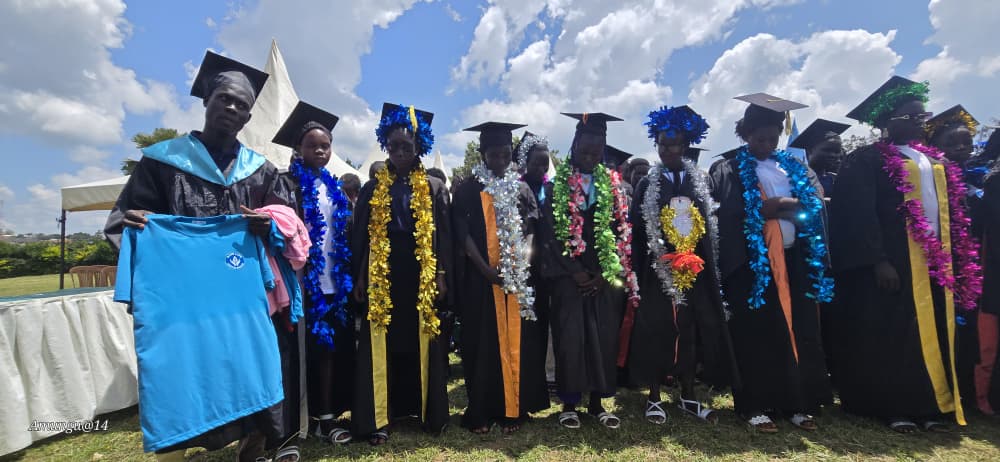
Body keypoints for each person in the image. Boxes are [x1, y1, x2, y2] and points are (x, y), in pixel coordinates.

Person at [105, 51, 294, 462]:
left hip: (241, 296)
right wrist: (137, 225)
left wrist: (270, 226)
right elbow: (122, 221)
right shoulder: (162, 161)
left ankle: (253, 448)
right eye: (224, 99)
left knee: (250, 365)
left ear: (248, 117)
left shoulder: (260, 170)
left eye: (241, 105)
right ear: (206, 100)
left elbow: (286, 222)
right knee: (181, 369)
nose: (232, 108)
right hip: (184, 301)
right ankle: (175, 448)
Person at [829, 76, 981, 432]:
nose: (919, 123)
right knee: (891, 335)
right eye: (910, 117)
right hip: (893, 264)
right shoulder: (866, 159)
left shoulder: (935, 160)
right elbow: (857, 214)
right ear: (886, 121)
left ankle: (930, 405)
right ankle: (892, 406)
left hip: (934, 265)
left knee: (933, 332)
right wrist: (877, 260)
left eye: (922, 116)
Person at [709, 93, 833, 433]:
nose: (765, 144)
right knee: (757, 335)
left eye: (772, 138)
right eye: (759, 138)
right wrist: (770, 208)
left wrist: (779, 204)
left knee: (799, 329)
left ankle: (797, 403)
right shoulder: (728, 168)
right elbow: (727, 212)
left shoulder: (793, 166)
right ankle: (755, 406)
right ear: (745, 134)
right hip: (753, 265)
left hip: (795, 260)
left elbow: (814, 202)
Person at [623, 105, 735, 426]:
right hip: (657, 269)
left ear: (685, 145)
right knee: (657, 328)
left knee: (691, 327)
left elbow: (710, 227)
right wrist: (645, 266)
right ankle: (654, 395)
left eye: (673, 145)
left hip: (695, 268)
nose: (667, 150)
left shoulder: (700, 182)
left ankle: (688, 394)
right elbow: (638, 230)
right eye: (662, 144)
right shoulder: (648, 184)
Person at [350, 103, 453, 445]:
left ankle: (424, 412)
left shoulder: (434, 187)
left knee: (419, 340)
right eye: (393, 146)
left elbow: (444, 238)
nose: (399, 152)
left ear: (419, 146)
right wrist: (361, 277)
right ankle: (381, 415)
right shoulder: (372, 188)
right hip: (384, 275)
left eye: (406, 146)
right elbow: (363, 237)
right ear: (385, 145)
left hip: (421, 274)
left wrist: (440, 275)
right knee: (385, 344)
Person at [540, 112, 637, 430]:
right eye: (585, 150)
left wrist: (604, 273)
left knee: (602, 338)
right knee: (570, 339)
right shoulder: (556, 186)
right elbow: (551, 235)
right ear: (575, 145)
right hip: (568, 279)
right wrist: (575, 271)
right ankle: (569, 403)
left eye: (597, 151)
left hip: (604, 277)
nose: (591, 156)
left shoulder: (615, 186)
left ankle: (597, 403)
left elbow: (622, 232)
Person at [452, 121, 549, 434]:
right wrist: (485, 270)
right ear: (483, 153)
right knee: (481, 345)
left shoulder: (521, 188)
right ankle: (480, 411)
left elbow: (532, 230)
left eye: (506, 154)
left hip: (516, 281)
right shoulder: (469, 189)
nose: (501, 160)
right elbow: (463, 235)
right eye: (494, 154)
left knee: (519, 344)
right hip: (480, 283)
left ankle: (515, 410)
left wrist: (521, 262)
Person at [273, 101, 356, 448]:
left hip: (333, 283)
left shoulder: (334, 187)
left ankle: (327, 417)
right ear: (298, 147)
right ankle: (294, 424)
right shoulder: (285, 183)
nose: (320, 151)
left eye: (326, 145)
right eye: (312, 145)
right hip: (300, 284)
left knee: (329, 352)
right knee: (297, 355)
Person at [925, 105, 981, 409]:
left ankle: (968, 390)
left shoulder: (980, 176)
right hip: (941, 261)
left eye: (966, 143)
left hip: (972, 262)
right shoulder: (932, 175)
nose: (961, 148)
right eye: (952, 143)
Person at [517, 132, 558, 389]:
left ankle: (543, 376)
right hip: (523, 266)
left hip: (547, 268)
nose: (541, 168)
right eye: (536, 162)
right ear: (525, 161)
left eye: (545, 163)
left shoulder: (551, 189)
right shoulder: (517, 188)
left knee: (543, 320)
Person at [788, 119, 850, 198]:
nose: (833, 155)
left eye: (837, 151)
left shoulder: (836, 179)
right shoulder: (798, 180)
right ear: (810, 151)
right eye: (828, 150)